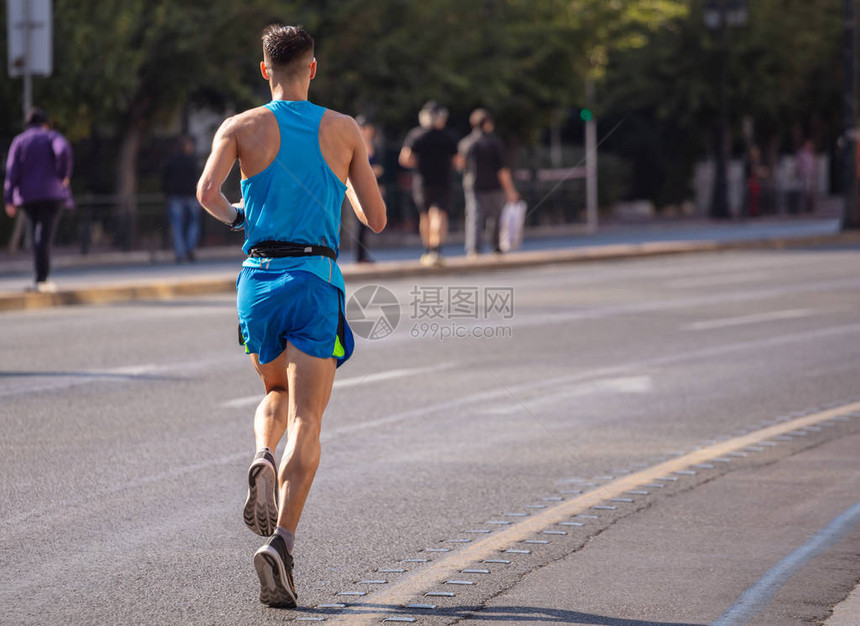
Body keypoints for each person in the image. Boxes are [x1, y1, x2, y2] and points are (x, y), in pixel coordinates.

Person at [196, 25, 386, 608]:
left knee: (274, 390)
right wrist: (345, 186)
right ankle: (281, 544)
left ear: (264, 70)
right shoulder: (344, 129)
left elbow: (207, 192)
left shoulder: (240, 127)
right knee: (309, 417)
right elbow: (374, 219)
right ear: (313, 68)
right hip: (315, 279)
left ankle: (261, 454)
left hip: (258, 280)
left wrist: (239, 221)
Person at [4, 108, 73, 291]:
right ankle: (42, 278)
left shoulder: (19, 141)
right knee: (44, 236)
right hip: (52, 194)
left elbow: (12, 172)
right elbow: (63, 150)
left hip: (28, 197)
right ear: (45, 124)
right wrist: (64, 174)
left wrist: (9, 198)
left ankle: (40, 277)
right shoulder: (51, 136)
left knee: (37, 233)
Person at [399, 101, 457, 266]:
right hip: (443, 180)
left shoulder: (416, 135)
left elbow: (405, 158)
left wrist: (418, 162)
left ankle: (427, 249)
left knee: (425, 215)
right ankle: (437, 249)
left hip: (422, 181)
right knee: (439, 214)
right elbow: (458, 161)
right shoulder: (448, 136)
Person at [458, 108, 519, 257]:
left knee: (474, 217)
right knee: (495, 217)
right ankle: (496, 246)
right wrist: (510, 190)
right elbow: (502, 170)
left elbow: (460, 164)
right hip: (494, 186)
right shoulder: (495, 143)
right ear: (487, 124)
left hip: (473, 186)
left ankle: (474, 249)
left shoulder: (466, 143)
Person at [162, 136, 202, 262]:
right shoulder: (192, 161)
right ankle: (189, 248)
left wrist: (167, 192)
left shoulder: (171, 161)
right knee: (194, 223)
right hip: (191, 195)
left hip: (175, 196)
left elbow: (164, 179)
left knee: (176, 226)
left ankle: (180, 252)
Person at [354, 116, 384, 263]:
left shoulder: (375, 145)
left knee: (367, 223)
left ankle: (363, 254)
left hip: (371, 186)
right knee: (359, 223)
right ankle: (359, 255)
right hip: (357, 188)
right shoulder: (356, 145)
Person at [796, 139, 816, 214]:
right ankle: (804, 207)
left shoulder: (810, 153)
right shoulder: (801, 153)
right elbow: (799, 164)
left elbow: (812, 163)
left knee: (810, 190)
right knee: (804, 191)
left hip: (810, 174)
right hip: (804, 174)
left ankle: (810, 207)